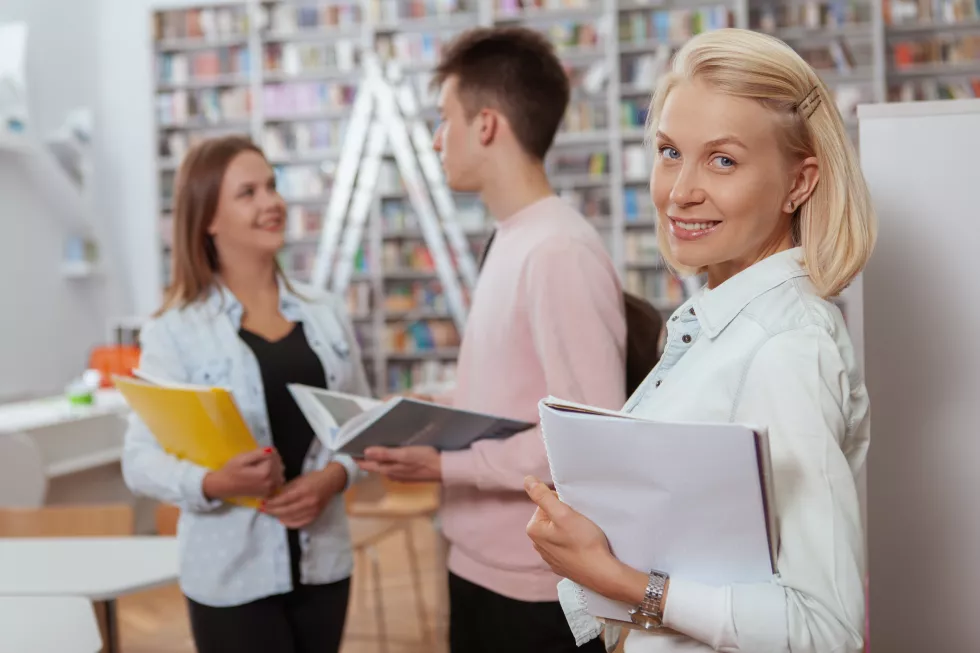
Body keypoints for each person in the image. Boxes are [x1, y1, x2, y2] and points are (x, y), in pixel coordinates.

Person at [525, 27, 876, 653]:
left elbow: (825, 633)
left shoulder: (785, 349)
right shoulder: (717, 325)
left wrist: (621, 579)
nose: (680, 191)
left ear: (800, 183)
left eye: (723, 160)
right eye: (668, 152)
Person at [358, 27, 627, 653]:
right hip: (478, 561)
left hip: (532, 584)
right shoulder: (512, 238)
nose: (435, 138)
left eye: (444, 118)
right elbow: (511, 389)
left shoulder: (557, 249)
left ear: (485, 124)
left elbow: (590, 434)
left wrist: (447, 464)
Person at [121, 135, 370, 653]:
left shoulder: (324, 313)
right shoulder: (174, 331)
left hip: (323, 562)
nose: (271, 202)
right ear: (208, 218)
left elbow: (362, 426)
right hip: (230, 572)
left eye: (273, 187)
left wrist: (335, 475)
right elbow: (139, 459)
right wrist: (212, 482)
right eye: (248, 192)